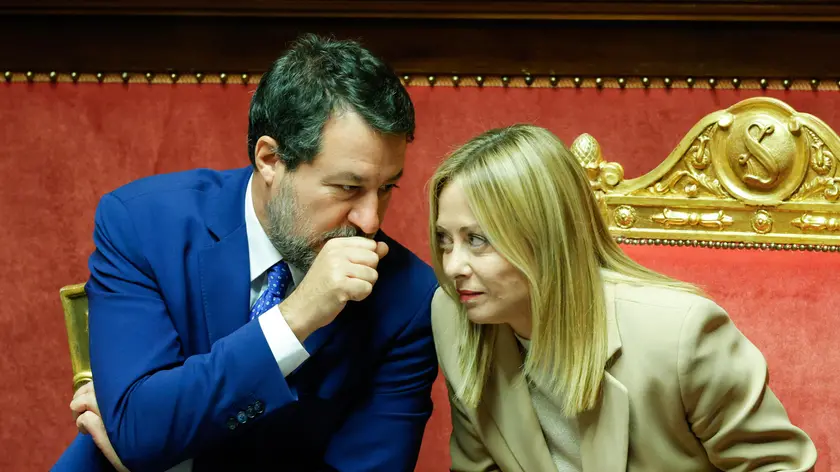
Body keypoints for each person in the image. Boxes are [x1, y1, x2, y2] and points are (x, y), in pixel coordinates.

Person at [54, 33, 439, 472]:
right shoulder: (143, 225)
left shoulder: (408, 297)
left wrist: (153, 449)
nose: (370, 221)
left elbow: (139, 443)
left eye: (386, 188)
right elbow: (140, 429)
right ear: (270, 159)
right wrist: (294, 319)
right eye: (348, 187)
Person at [428, 124, 818, 471]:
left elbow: (778, 466)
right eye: (445, 240)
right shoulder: (452, 317)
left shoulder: (679, 335)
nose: (452, 266)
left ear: (545, 240)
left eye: (476, 240)